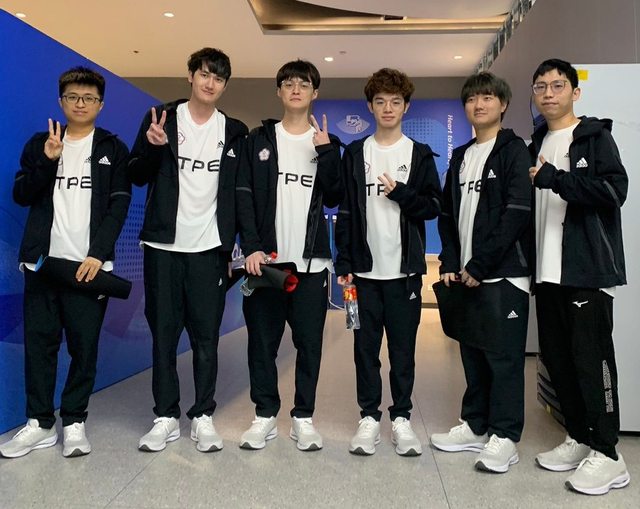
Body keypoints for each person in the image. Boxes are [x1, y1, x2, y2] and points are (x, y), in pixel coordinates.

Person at [1, 67, 131, 458]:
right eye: (73, 97)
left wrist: (98, 254)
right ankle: (40, 423)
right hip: (42, 265)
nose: (80, 104)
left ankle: (74, 421)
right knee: (39, 347)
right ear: (61, 101)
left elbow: (119, 205)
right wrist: (47, 161)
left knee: (83, 349)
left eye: (89, 98)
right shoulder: (42, 143)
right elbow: (22, 194)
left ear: (100, 105)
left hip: (88, 269)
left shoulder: (112, 149)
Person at [128, 48, 247, 453]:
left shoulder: (234, 131)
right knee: (163, 336)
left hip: (210, 249)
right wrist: (151, 147)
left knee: (206, 338)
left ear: (224, 85)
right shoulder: (161, 117)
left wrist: (238, 245)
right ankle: (165, 416)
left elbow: (240, 193)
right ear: (191, 76)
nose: (210, 83)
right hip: (163, 246)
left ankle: (203, 415)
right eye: (204, 74)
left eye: (218, 78)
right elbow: (136, 174)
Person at [529, 58, 630, 495]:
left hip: (586, 272)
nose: (548, 93)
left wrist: (558, 179)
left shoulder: (594, 136)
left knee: (593, 363)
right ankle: (579, 437)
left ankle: (609, 454)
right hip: (547, 274)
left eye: (557, 85)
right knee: (559, 361)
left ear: (575, 92)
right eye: (541, 87)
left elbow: (614, 191)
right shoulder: (537, 141)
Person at [235, 59, 342, 451]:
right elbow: (243, 196)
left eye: (304, 84)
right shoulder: (258, 140)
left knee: (309, 344)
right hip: (266, 263)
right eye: (289, 83)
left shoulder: (327, 142)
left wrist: (326, 152)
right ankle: (264, 414)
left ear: (315, 93)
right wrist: (251, 246)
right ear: (279, 91)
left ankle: (303, 418)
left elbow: (335, 196)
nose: (296, 89)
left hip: (312, 263)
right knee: (261, 343)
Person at [335, 68, 442, 456]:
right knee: (364, 349)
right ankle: (368, 417)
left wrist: (402, 194)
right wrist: (344, 262)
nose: (388, 108)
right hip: (361, 275)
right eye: (380, 101)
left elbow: (432, 206)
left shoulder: (418, 154)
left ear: (406, 106)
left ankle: (401, 418)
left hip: (404, 273)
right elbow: (346, 211)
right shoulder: (355, 153)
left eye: (395, 101)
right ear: (370, 106)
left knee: (402, 351)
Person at [430, 72, 531, 473]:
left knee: (503, 359)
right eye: (472, 99)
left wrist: (480, 264)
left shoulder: (514, 151)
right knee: (472, 353)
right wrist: (451, 262)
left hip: (503, 274)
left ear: (503, 104)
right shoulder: (461, 156)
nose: (479, 104)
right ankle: (475, 425)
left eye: (488, 97)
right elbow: (447, 215)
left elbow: (516, 213)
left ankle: (505, 436)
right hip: (467, 275)